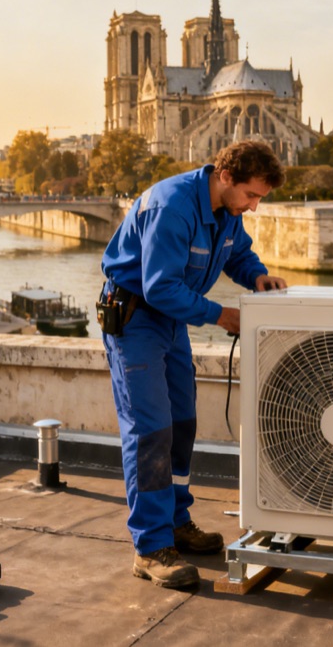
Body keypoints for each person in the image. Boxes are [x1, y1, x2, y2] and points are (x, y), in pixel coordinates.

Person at [100, 141, 288, 590]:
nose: (254, 207)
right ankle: (149, 547)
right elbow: (160, 287)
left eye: (260, 198)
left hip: (170, 321)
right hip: (138, 319)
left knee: (182, 423)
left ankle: (176, 521)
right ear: (226, 178)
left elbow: (236, 253)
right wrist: (221, 315)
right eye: (251, 196)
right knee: (151, 432)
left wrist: (257, 274)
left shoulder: (226, 210)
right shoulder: (173, 207)